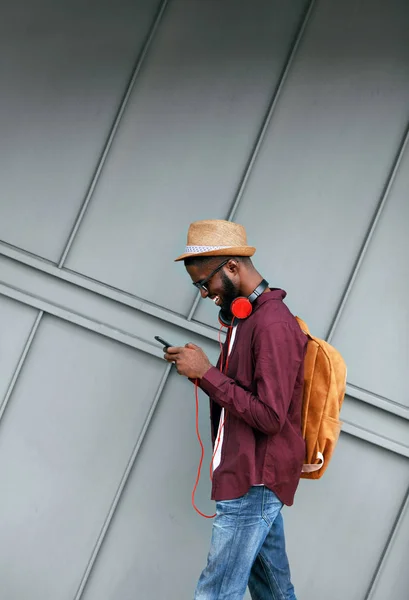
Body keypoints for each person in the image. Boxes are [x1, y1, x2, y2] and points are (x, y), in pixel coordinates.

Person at [164, 219, 307, 600]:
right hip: (247, 474)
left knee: (215, 593)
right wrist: (203, 372)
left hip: (254, 479)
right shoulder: (245, 319)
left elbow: (271, 417)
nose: (202, 293)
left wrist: (207, 373)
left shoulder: (273, 324)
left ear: (231, 267)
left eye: (203, 283)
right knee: (275, 593)